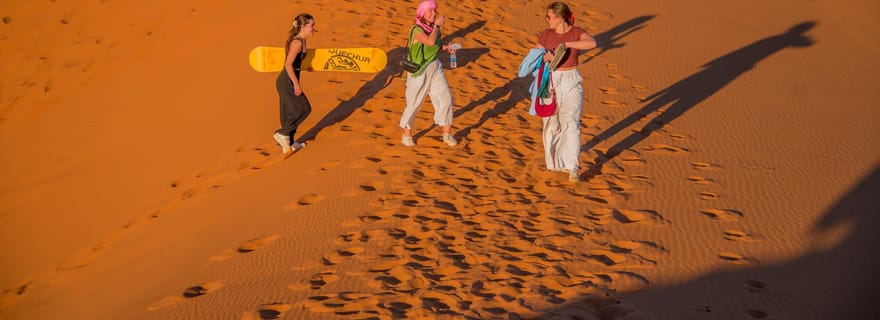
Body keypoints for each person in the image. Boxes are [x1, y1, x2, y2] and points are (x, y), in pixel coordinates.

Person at [536, 2, 596, 181]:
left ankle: (572, 167)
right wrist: (544, 57)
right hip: (550, 80)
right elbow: (535, 55)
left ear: (561, 17)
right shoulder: (546, 34)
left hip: (571, 80)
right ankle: (554, 163)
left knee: (571, 122)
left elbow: (592, 43)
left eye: (550, 17)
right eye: (547, 17)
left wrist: (568, 44)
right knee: (551, 123)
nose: (547, 20)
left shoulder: (576, 32)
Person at [399, 0, 458, 147]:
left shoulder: (433, 28)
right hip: (418, 71)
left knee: (446, 99)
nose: (433, 14)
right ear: (422, 13)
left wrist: (446, 48)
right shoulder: (416, 30)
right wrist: (437, 26)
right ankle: (406, 135)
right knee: (414, 103)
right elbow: (429, 42)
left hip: (434, 68)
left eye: (434, 11)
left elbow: (435, 46)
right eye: (429, 11)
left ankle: (447, 134)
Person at [273, 13, 316, 155]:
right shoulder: (297, 42)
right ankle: (282, 133)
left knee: (288, 113)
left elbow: (297, 62)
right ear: (303, 27)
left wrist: (306, 67)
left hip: (289, 80)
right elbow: (288, 65)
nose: (314, 28)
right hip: (286, 81)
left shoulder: (303, 40)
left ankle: (289, 143)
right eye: (311, 25)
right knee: (304, 108)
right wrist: (296, 85)